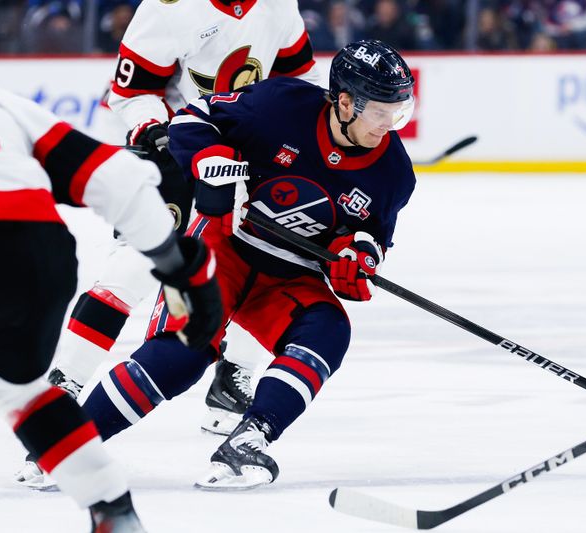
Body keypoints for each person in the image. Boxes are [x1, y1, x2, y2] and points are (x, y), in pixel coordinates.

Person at [79, 39, 417, 489]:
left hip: (291, 276)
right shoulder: (280, 104)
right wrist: (207, 159)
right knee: (182, 356)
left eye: (398, 111)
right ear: (345, 101)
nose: (389, 125)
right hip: (227, 248)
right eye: (380, 111)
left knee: (329, 331)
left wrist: (357, 257)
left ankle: (249, 439)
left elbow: (371, 234)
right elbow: (195, 118)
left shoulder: (394, 171)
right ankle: (67, 444)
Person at [0, 27, 222, 530]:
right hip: (40, 256)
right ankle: (112, 507)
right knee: (8, 386)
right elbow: (116, 177)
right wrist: (180, 268)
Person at [44, 0, 324, 448]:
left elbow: (300, 83)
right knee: (133, 267)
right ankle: (66, 383)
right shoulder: (167, 7)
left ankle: (233, 377)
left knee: (266, 267)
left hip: (251, 158)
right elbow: (129, 94)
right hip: (178, 149)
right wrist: (159, 131)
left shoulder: (279, 4)